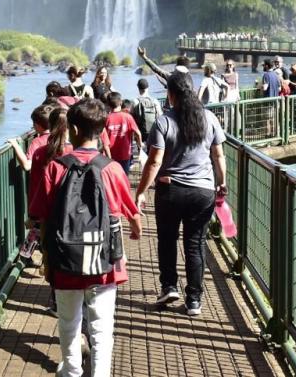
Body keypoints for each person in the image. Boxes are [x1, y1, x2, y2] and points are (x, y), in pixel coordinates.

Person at [33, 99, 141, 377]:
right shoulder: (112, 168)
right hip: (104, 257)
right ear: (102, 130)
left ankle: (71, 370)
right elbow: (130, 211)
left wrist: (47, 256)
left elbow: (41, 216)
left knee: (69, 322)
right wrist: (136, 229)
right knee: (102, 325)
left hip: (64, 257)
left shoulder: (55, 167)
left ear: (73, 129)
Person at [134, 72, 227, 316]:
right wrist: (222, 182)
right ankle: (194, 300)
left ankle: (169, 286)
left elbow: (154, 162)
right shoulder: (209, 118)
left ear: (170, 94)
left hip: (170, 190)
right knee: (195, 244)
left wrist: (141, 191)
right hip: (203, 192)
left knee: (167, 239)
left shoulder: (163, 122)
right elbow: (218, 155)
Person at [8, 103, 54, 173]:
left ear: (37, 124)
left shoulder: (37, 141)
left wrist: (15, 145)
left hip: (41, 179)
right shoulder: (60, 137)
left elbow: (27, 166)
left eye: (33, 122)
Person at [105, 92, 142, 177]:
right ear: (121, 102)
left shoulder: (106, 118)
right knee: (124, 177)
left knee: (112, 177)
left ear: (108, 104)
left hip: (110, 155)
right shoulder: (128, 117)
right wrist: (139, 146)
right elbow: (138, 133)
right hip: (125, 154)